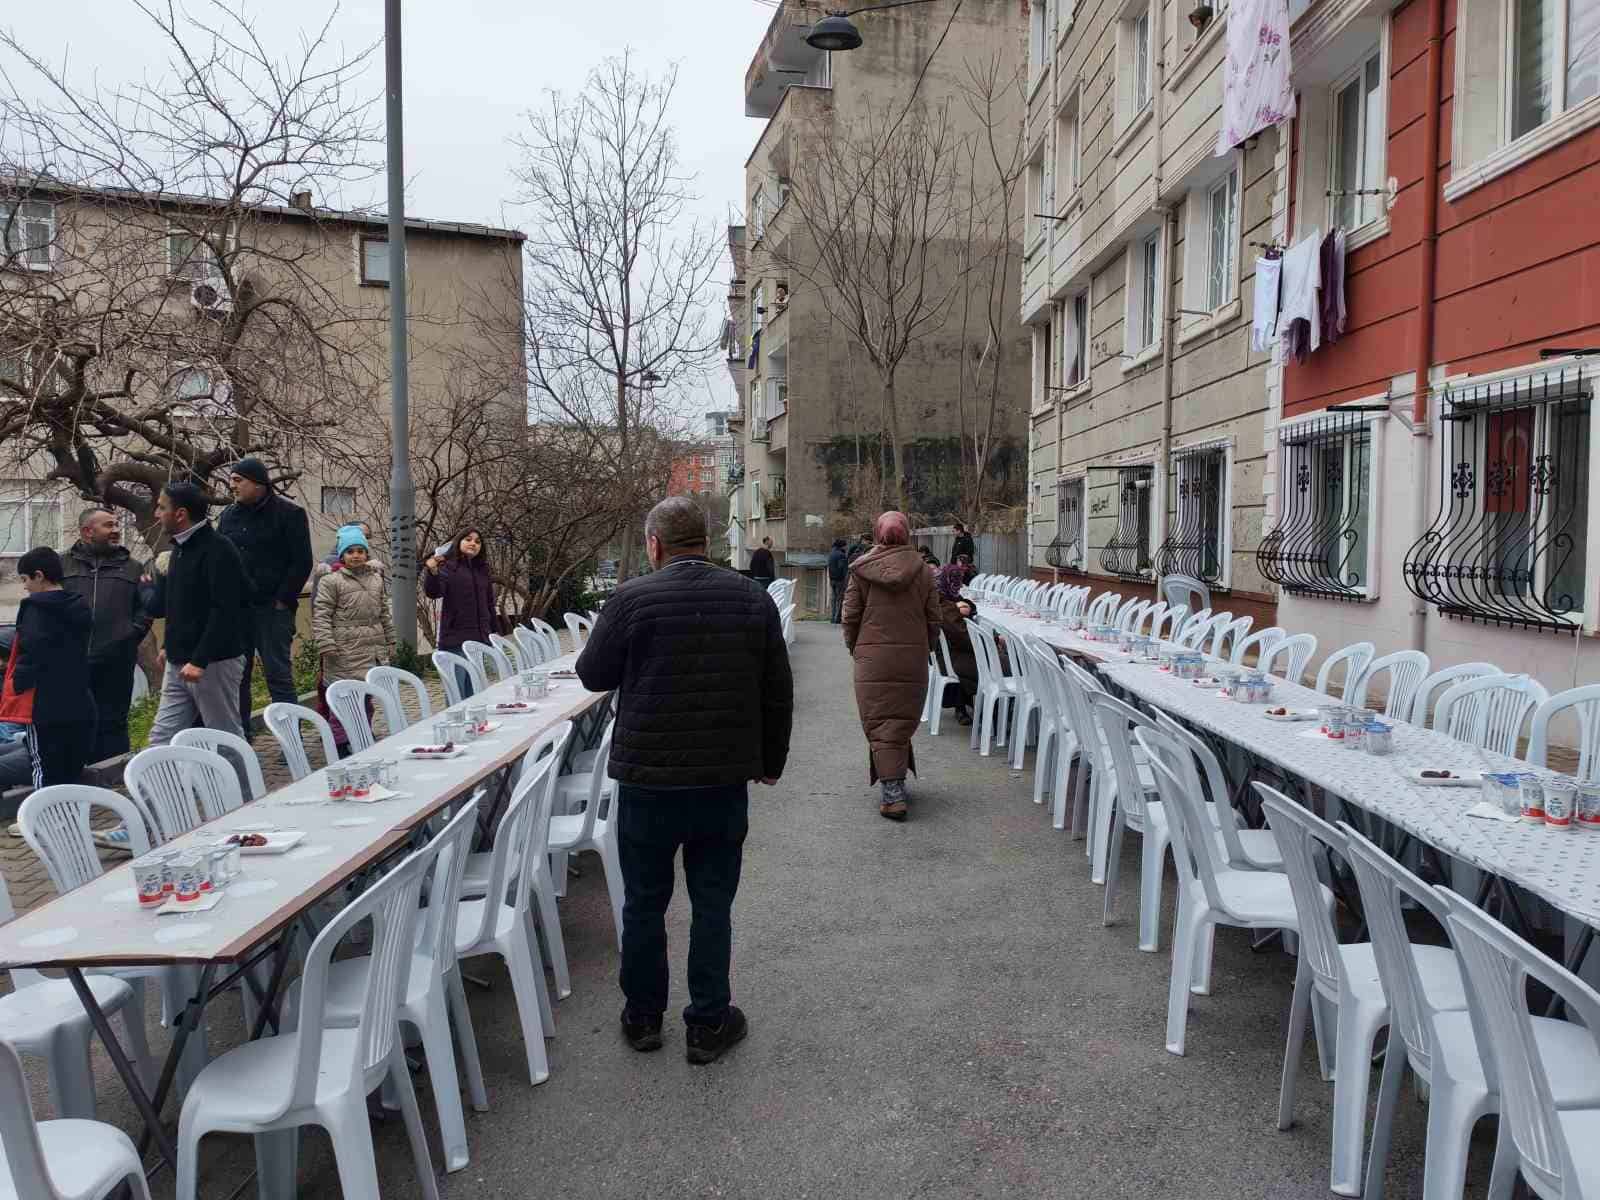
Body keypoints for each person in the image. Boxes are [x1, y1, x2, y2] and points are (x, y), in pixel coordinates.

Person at [576, 496, 792, 1064]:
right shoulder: (751, 598)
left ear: (654, 544)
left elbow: (592, 674)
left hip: (647, 783)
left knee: (644, 903)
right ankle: (708, 1022)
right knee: (712, 902)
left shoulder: (629, 600)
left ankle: (643, 1018)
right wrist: (771, 762)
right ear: (707, 542)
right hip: (722, 780)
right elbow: (777, 690)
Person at [842, 510, 940, 821]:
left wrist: (856, 648)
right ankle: (895, 780)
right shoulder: (923, 571)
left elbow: (850, 617)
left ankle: (893, 793)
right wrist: (927, 648)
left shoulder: (860, 570)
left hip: (872, 659)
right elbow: (933, 618)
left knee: (881, 720)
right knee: (899, 716)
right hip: (912, 657)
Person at [146, 482, 249, 745]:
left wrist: (200, 660)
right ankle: (167, 788)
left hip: (214, 662)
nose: (156, 514)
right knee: (161, 738)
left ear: (180, 514)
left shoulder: (219, 549)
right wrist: (170, 646)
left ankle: (244, 787)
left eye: (161, 507)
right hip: (178, 661)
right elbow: (180, 607)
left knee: (224, 737)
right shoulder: (178, 549)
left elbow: (225, 610)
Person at [217, 457, 313, 730]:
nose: (232, 485)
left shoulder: (289, 514)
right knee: (237, 678)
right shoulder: (228, 516)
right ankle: (240, 740)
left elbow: (301, 562)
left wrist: (283, 600)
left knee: (278, 675)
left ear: (258, 483)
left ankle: (290, 738)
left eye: (238, 480)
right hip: (237, 611)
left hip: (273, 610)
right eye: (231, 479)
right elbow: (219, 558)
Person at [62, 507, 152, 761]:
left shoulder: (134, 568)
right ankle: (80, 776)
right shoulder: (62, 564)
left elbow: (146, 607)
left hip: (116, 660)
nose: (116, 530)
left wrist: (131, 633)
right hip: (73, 660)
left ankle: (115, 780)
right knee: (75, 721)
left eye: (116, 525)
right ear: (87, 531)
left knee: (114, 722)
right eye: (108, 526)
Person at [8, 548, 96, 787]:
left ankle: (43, 819)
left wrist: (18, 682)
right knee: (70, 765)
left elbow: (32, 649)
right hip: (78, 698)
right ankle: (70, 817)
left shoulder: (34, 607)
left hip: (44, 704)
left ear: (38, 576)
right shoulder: (80, 604)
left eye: (25, 579)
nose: (25, 587)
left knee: (43, 765)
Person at [311, 526, 394, 753]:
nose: (356, 555)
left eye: (360, 550)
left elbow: (384, 613)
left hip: (371, 650)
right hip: (343, 651)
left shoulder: (376, 580)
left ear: (367, 553)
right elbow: (322, 614)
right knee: (344, 700)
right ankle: (340, 744)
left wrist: (390, 641)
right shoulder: (331, 581)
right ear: (342, 555)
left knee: (366, 700)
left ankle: (363, 737)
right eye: (350, 551)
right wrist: (326, 643)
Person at [423, 529, 495, 697]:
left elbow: (490, 603)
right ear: (458, 542)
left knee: (476, 692)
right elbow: (434, 592)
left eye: (477, 542)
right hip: (455, 641)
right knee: (457, 694)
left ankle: (477, 724)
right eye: (468, 539)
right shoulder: (448, 567)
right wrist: (432, 572)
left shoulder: (482, 570)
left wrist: (493, 632)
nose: (473, 543)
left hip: (479, 640)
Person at [934, 563, 981, 725]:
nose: (958, 584)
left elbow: (966, 604)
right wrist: (993, 642)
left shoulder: (944, 598)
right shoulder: (945, 605)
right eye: (954, 581)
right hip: (947, 657)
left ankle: (973, 707)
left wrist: (965, 606)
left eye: (959, 581)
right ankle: (992, 714)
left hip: (947, 653)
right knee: (988, 667)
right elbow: (964, 638)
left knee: (981, 659)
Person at [826, 538, 849, 624]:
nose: (846, 547)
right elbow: (842, 568)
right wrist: (846, 579)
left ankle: (832, 617)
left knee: (833, 599)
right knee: (840, 599)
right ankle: (837, 618)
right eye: (845, 545)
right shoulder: (841, 555)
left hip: (832, 580)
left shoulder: (831, 554)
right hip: (840, 580)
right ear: (842, 546)